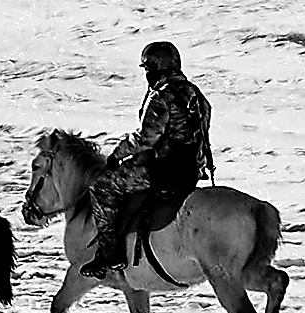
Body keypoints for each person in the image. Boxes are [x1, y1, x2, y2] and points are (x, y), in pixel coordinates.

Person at [82, 41, 216, 279]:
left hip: (159, 171)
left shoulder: (162, 96)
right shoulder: (197, 95)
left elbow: (146, 138)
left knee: (102, 187)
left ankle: (109, 254)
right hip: (190, 173)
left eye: (147, 69)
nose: (146, 75)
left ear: (156, 68)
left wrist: (117, 154)